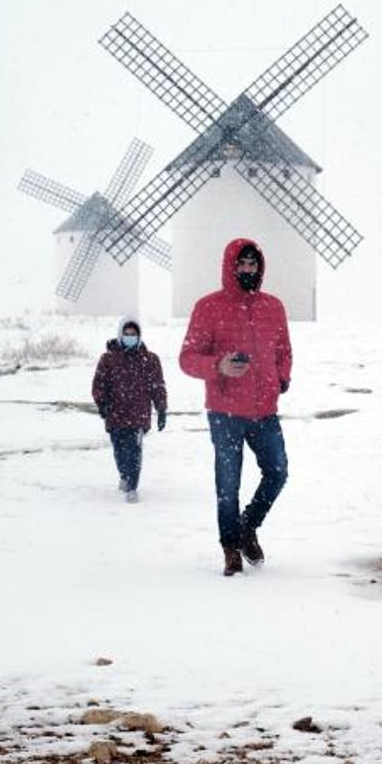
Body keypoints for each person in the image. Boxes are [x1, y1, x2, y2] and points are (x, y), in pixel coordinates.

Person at [179, 238, 291, 576]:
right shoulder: (208, 307)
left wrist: (280, 379)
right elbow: (187, 358)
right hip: (225, 411)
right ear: (230, 266)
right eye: (241, 264)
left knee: (278, 471)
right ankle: (230, 547)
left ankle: (247, 526)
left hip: (264, 410)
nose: (247, 269)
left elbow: (283, 351)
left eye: (252, 264)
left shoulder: (274, 306)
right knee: (228, 484)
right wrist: (219, 366)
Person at [92, 316, 168, 503]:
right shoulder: (108, 359)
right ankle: (124, 476)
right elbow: (99, 384)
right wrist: (102, 403)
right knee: (119, 450)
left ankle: (132, 486)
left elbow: (157, 386)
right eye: (126, 334)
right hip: (115, 414)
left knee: (134, 451)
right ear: (120, 334)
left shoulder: (150, 359)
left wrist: (162, 409)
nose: (130, 337)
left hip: (138, 414)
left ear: (139, 335)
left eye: (133, 334)